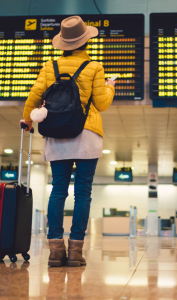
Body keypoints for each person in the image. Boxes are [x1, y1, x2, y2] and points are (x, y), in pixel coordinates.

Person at [19, 16, 115, 267]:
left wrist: (27, 120)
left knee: (58, 190)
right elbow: (102, 104)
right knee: (83, 192)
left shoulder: (50, 66)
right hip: (87, 133)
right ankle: (75, 251)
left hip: (57, 132)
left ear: (63, 43)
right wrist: (110, 87)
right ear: (86, 41)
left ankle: (54, 250)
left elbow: (35, 94)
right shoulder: (94, 67)